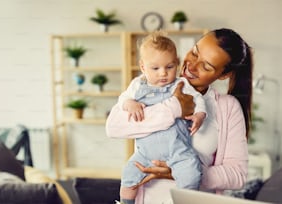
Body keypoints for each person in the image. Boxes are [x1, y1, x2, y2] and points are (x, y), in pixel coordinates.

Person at [106, 28, 252, 204]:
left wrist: (180, 171)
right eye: (194, 52)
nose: (191, 65)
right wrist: (174, 107)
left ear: (223, 75)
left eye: (206, 66)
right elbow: (113, 127)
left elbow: (237, 175)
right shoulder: (144, 88)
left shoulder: (227, 108)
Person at [109, 31, 206, 204]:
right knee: (129, 177)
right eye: (155, 68)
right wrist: (129, 103)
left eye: (169, 67)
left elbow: (197, 99)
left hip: (178, 151)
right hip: (145, 154)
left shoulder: (181, 84)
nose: (163, 73)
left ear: (176, 63)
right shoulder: (137, 85)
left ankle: (187, 200)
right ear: (142, 67)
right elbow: (122, 100)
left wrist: (200, 113)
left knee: (191, 172)